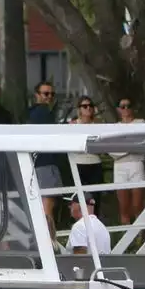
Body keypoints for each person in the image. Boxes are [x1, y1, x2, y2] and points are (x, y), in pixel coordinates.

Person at [27, 81, 64, 238]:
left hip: (36, 164)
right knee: (47, 207)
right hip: (45, 164)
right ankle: (49, 242)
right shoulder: (42, 112)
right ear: (37, 95)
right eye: (45, 93)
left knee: (44, 206)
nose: (49, 97)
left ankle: (45, 241)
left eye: (51, 94)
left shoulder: (30, 113)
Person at [110, 97, 145, 225]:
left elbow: (141, 144)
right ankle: (127, 237)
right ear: (118, 109)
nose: (126, 109)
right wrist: (130, 147)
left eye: (128, 105)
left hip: (137, 164)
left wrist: (122, 147)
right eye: (122, 106)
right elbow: (111, 151)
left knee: (137, 205)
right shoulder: (114, 127)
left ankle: (140, 235)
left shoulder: (141, 123)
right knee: (123, 207)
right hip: (120, 166)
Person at [67, 96, 105, 217]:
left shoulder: (98, 125)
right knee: (79, 198)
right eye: (84, 106)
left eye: (90, 106)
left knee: (95, 198)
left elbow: (103, 147)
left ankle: (94, 223)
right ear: (79, 109)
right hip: (78, 164)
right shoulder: (72, 125)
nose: (88, 108)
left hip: (95, 163)